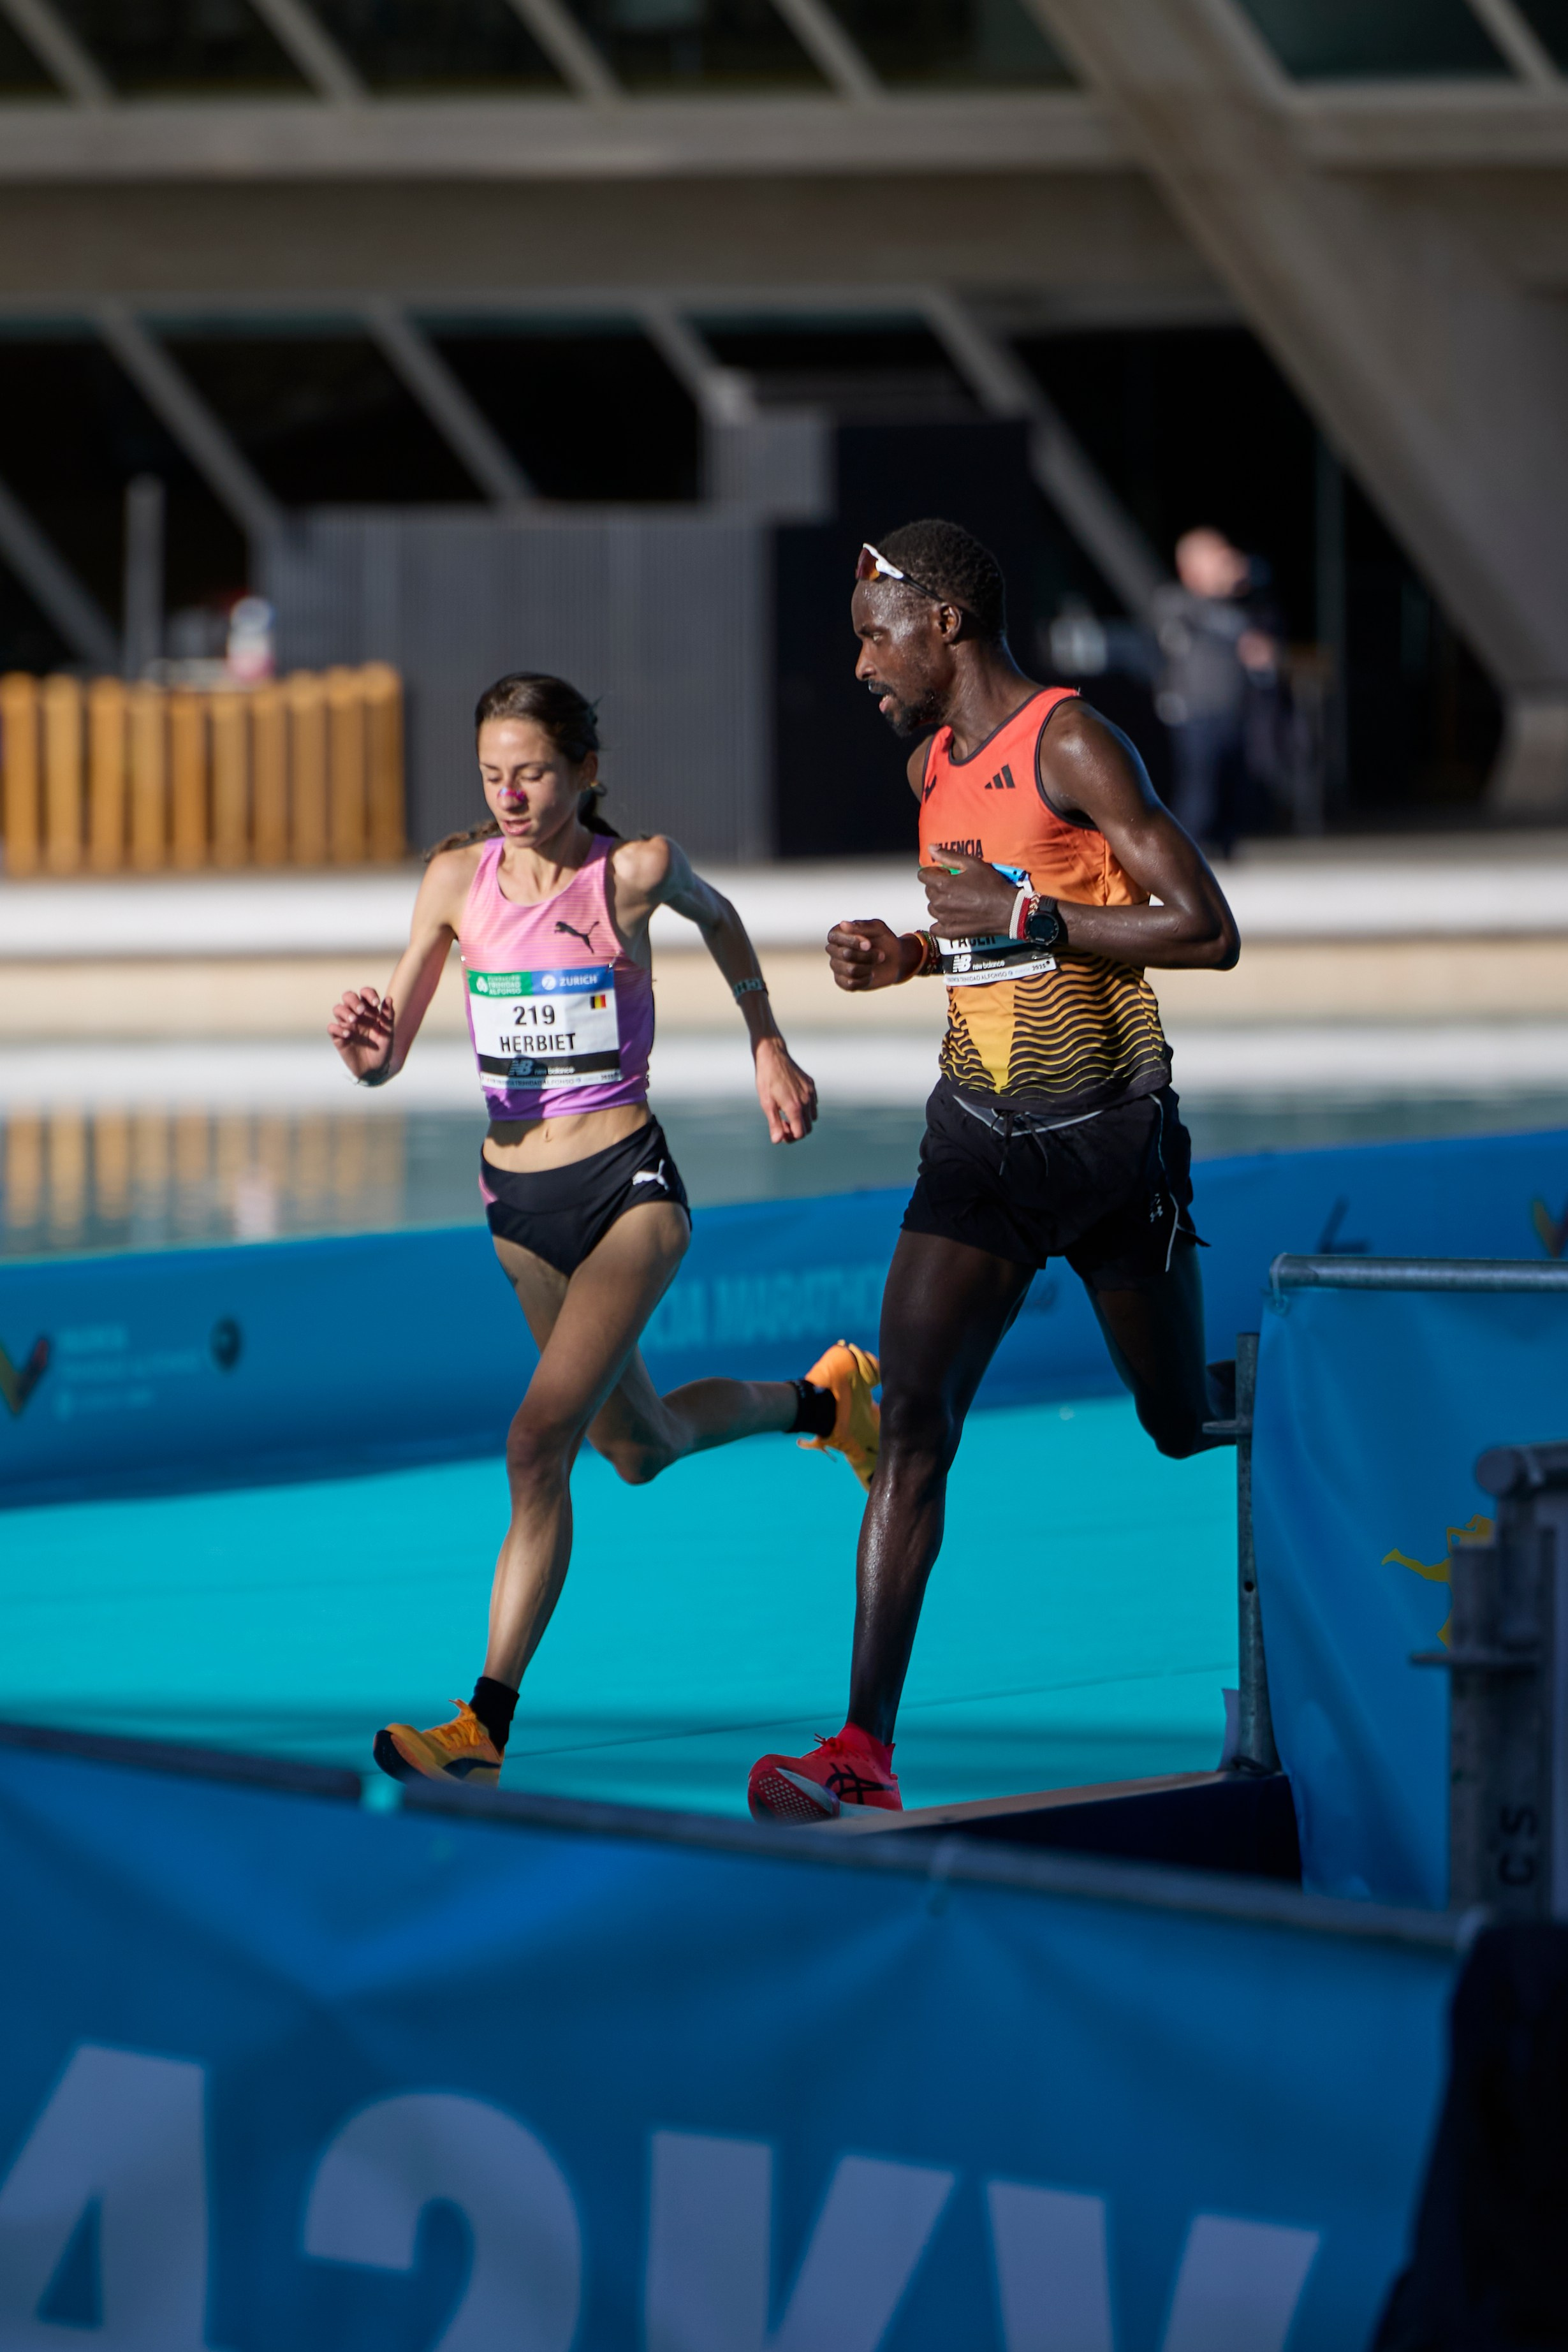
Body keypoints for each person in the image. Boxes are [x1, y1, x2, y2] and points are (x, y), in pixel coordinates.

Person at [747, 521, 1240, 1823]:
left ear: (945, 624)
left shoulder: (1070, 742)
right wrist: (906, 957)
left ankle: (1305, 1386)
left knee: (1178, 1421)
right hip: (975, 1139)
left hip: (1109, 1140)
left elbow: (1205, 929)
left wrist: (1030, 913)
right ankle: (861, 1749)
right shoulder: (928, 766)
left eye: (875, 636)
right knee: (912, 1421)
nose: (861, 663)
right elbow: (983, 944)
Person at [329, 671, 881, 1788]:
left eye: (532, 773)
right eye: (491, 775)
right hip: (516, 1204)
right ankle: (827, 1402)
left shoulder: (632, 871)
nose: (509, 795)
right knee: (638, 1450)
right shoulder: (453, 882)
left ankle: (482, 1727)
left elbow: (720, 920)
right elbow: (387, 1059)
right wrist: (364, 1050)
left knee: (535, 1444)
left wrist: (765, 1042)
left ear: (583, 770)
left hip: (627, 1188)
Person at [1152, 526, 1281, 853]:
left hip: (1234, 710)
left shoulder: (1242, 606)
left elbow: (1262, 639)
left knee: (1234, 787)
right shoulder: (1176, 601)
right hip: (1194, 711)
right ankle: (1184, 853)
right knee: (1200, 789)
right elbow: (1208, 625)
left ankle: (1226, 847)